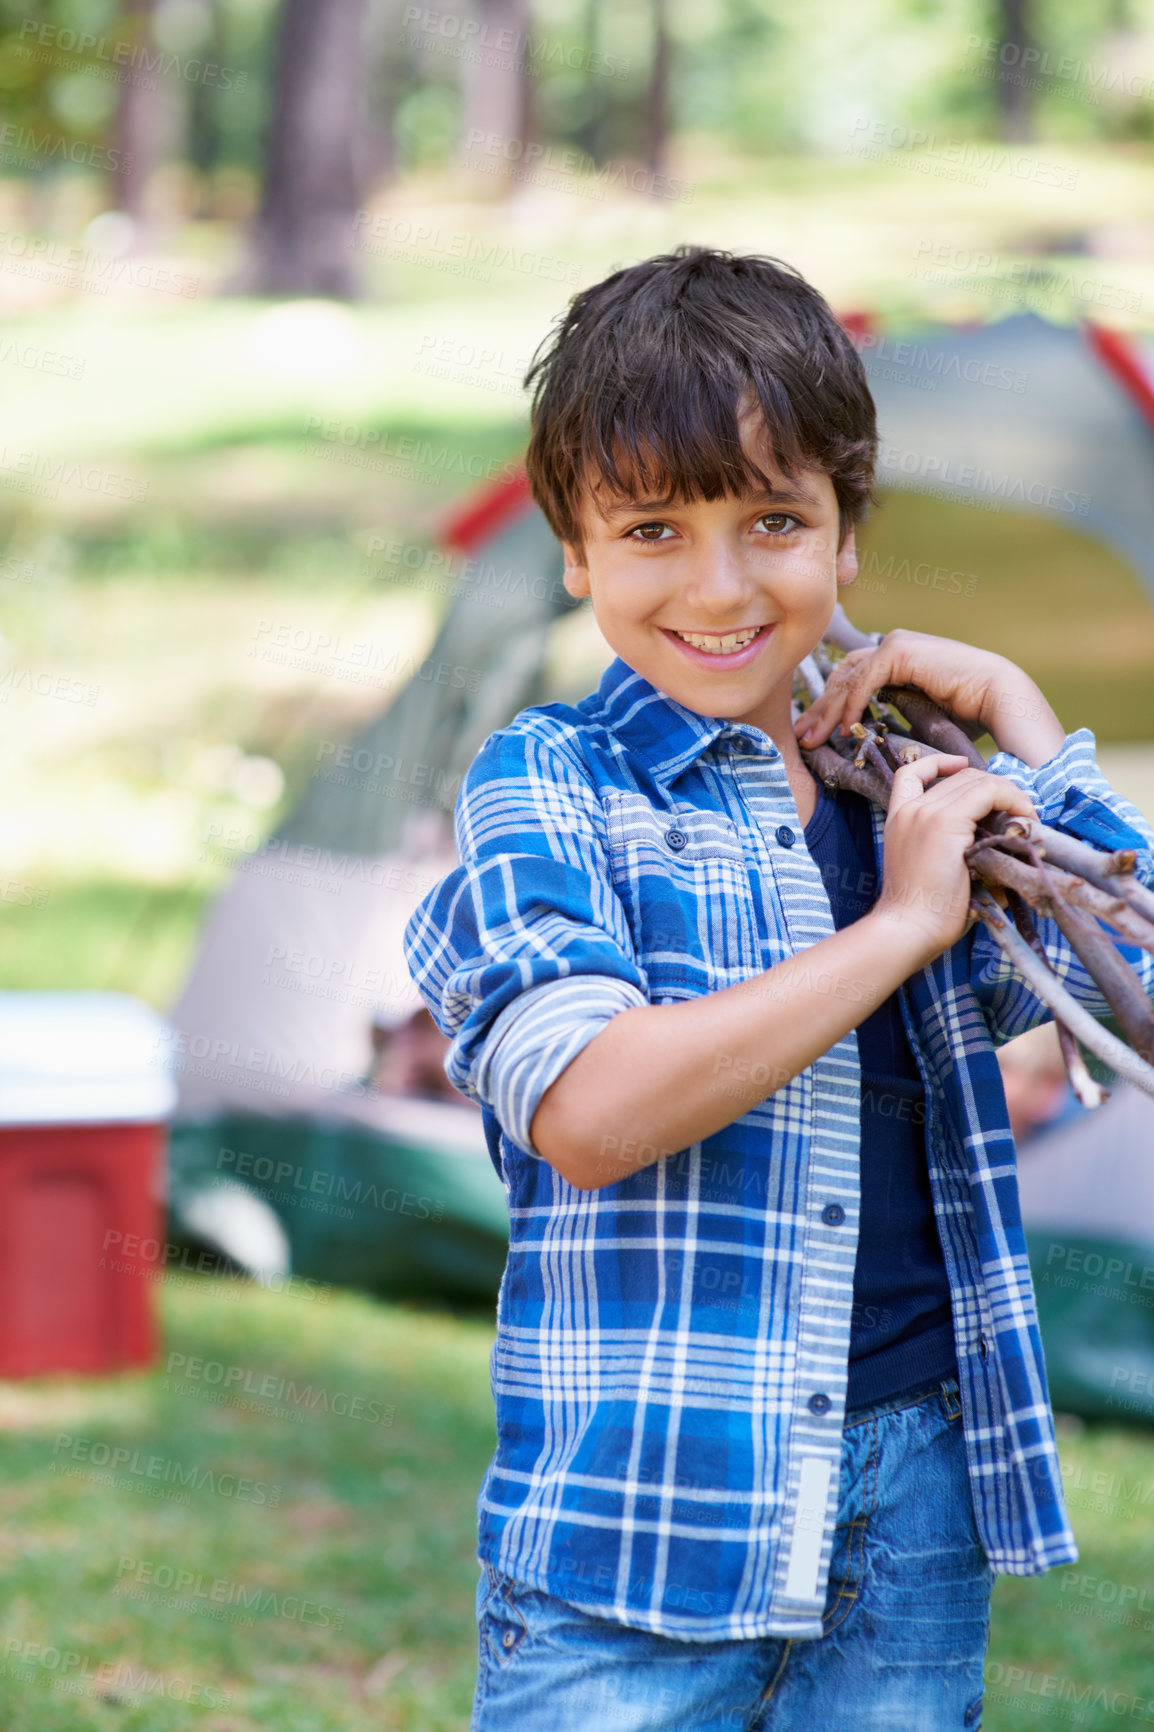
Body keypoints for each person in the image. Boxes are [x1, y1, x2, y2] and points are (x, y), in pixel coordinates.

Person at [402, 247, 1154, 1731]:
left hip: (909, 1511)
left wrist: (1025, 727)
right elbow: (592, 1111)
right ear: (573, 549)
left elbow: (1133, 1002)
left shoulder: (906, 780)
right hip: (641, 1522)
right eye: (652, 530)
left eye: (771, 521)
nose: (720, 585)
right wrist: (893, 930)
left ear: (845, 531)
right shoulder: (547, 784)